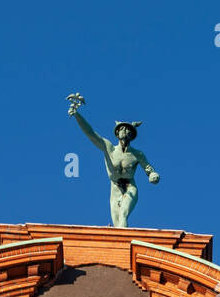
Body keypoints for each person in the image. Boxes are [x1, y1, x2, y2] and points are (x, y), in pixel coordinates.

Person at [68, 95, 159, 227]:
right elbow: (91, 133)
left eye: (128, 130)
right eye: (122, 129)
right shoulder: (109, 148)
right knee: (117, 222)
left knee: (123, 215)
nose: (125, 131)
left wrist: (153, 175)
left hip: (129, 187)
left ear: (132, 135)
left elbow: (149, 169)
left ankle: (124, 244)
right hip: (115, 187)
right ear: (117, 133)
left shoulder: (137, 154)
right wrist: (77, 115)